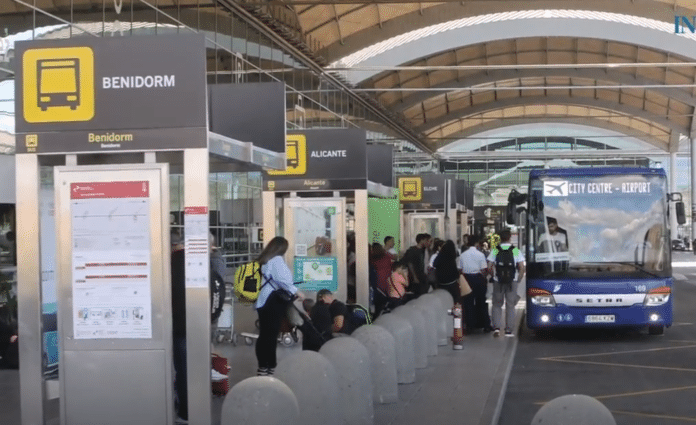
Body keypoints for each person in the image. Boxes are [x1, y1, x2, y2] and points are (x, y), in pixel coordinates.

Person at [254, 236, 305, 376]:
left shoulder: (263, 259)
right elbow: (283, 279)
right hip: (273, 301)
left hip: (262, 301)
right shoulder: (276, 260)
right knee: (271, 335)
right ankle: (271, 367)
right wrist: (297, 291)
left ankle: (262, 367)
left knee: (264, 335)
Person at [487, 229, 525, 337]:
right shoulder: (515, 250)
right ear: (510, 238)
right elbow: (522, 267)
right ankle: (509, 330)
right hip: (511, 281)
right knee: (510, 305)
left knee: (496, 305)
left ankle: (497, 328)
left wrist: (494, 276)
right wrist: (518, 279)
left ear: (500, 238)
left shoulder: (495, 250)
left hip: (498, 281)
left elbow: (489, 266)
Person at [170, 230, 188, 422]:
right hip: (191, 323)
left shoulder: (173, 263)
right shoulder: (193, 261)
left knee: (181, 367)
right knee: (186, 367)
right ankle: (186, 408)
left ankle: (184, 410)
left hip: (177, 324)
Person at [458, 235, 492, 333]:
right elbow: (484, 269)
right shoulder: (480, 254)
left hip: (466, 279)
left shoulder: (463, 255)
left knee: (468, 303)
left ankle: (469, 326)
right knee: (481, 302)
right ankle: (485, 325)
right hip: (478, 278)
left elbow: (460, 269)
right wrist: (484, 279)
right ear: (477, 243)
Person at [433, 240, 461, 306]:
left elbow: (434, 264)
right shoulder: (452, 257)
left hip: (441, 283)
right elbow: (456, 270)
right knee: (454, 300)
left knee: (443, 301)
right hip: (452, 282)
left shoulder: (440, 256)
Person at [370, 243, 393, 317]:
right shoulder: (387, 257)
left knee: (377, 305)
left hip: (378, 284)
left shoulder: (372, 259)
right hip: (387, 282)